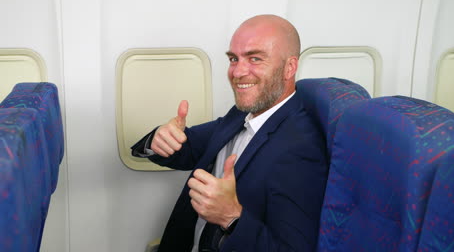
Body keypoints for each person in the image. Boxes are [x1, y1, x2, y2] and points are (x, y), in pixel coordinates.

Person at [131, 14, 328, 252]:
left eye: (255, 58)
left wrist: (231, 218)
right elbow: (188, 146)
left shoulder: (303, 148)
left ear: (290, 67)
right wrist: (158, 139)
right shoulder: (241, 113)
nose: (237, 72)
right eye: (234, 59)